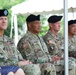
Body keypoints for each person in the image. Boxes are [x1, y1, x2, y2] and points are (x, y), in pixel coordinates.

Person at [0, 9, 41, 75]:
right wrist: (17, 63)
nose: (4, 21)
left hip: (15, 66)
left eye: (5, 19)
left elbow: (18, 55)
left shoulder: (8, 39)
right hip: (4, 68)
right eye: (1, 19)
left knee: (33, 68)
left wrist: (24, 61)